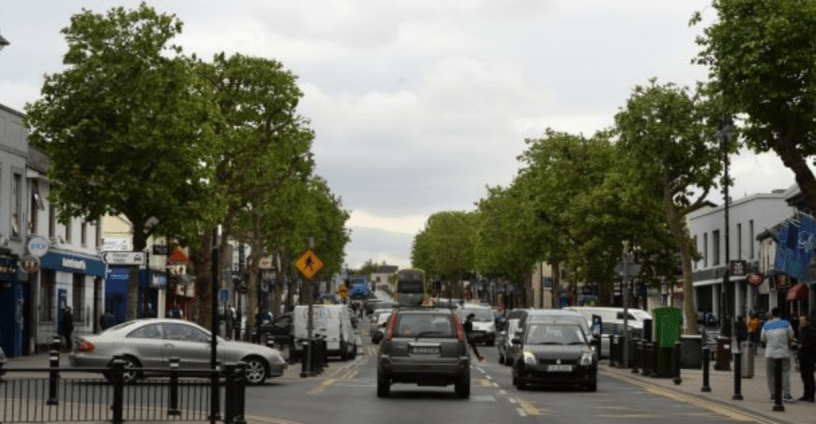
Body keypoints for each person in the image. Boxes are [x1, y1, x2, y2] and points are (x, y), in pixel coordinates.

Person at [761, 307, 796, 403]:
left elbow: (762, 338)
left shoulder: (767, 324)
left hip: (770, 353)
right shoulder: (786, 323)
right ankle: (786, 394)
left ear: (771, 315)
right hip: (783, 352)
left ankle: (773, 394)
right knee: (785, 373)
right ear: (780, 314)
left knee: (770, 374)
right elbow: (791, 336)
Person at [797, 315, 815, 402]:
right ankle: (806, 394)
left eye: (803, 321)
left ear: (807, 321)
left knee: (809, 375)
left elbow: (813, 344)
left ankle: (811, 395)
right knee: (804, 375)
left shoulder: (812, 331)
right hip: (802, 355)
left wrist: (803, 345)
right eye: (800, 321)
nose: (801, 322)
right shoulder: (800, 331)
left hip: (809, 356)